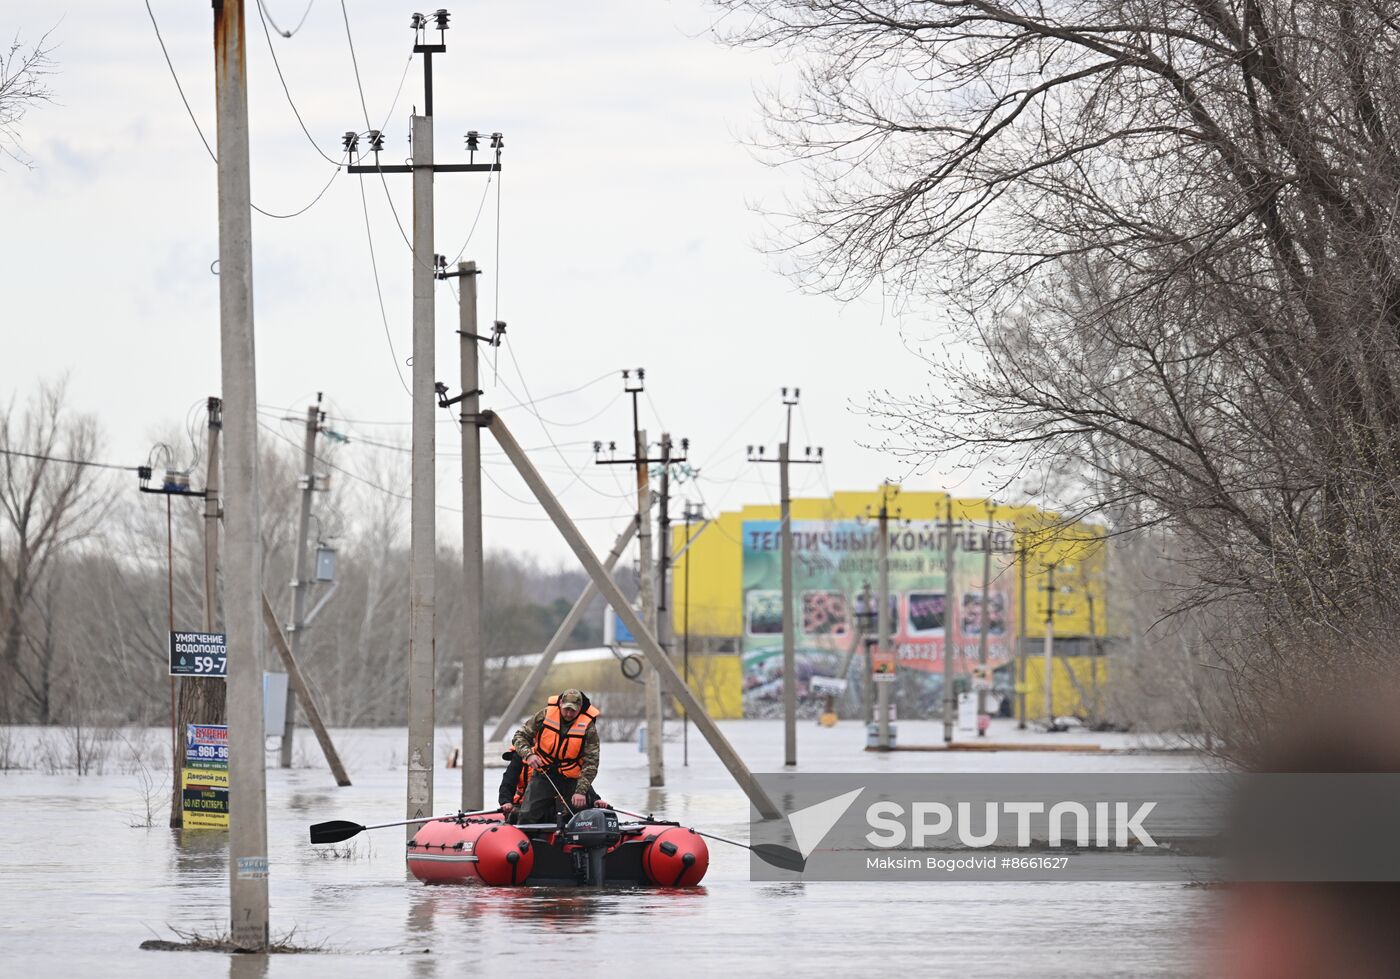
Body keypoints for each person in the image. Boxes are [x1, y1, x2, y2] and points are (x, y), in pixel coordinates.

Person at [510, 689, 601, 823]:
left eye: (573, 710)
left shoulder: (588, 727)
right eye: (566, 709)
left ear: (580, 709)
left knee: (580, 816)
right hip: (544, 774)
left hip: (571, 778)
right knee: (527, 815)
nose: (569, 714)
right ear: (560, 704)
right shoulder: (545, 715)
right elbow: (520, 736)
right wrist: (529, 755)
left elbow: (591, 762)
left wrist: (581, 791)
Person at [497, 748, 609, 819]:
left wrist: (595, 799)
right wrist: (506, 801)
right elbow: (508, 781)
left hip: (552, 806)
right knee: (521, 816)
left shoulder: (558, 755)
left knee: (572, 810)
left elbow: (575, 777)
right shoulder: (520, 756)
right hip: (524, 805)